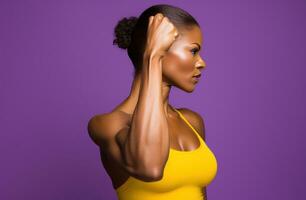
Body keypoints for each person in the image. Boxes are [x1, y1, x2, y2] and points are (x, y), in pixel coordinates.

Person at [87, 4, 218, 200]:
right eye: (193, 51)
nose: (201, 62)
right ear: (157, 48)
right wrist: (153, 57)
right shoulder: (107, 125)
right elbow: (150, 167)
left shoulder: (192, 121)